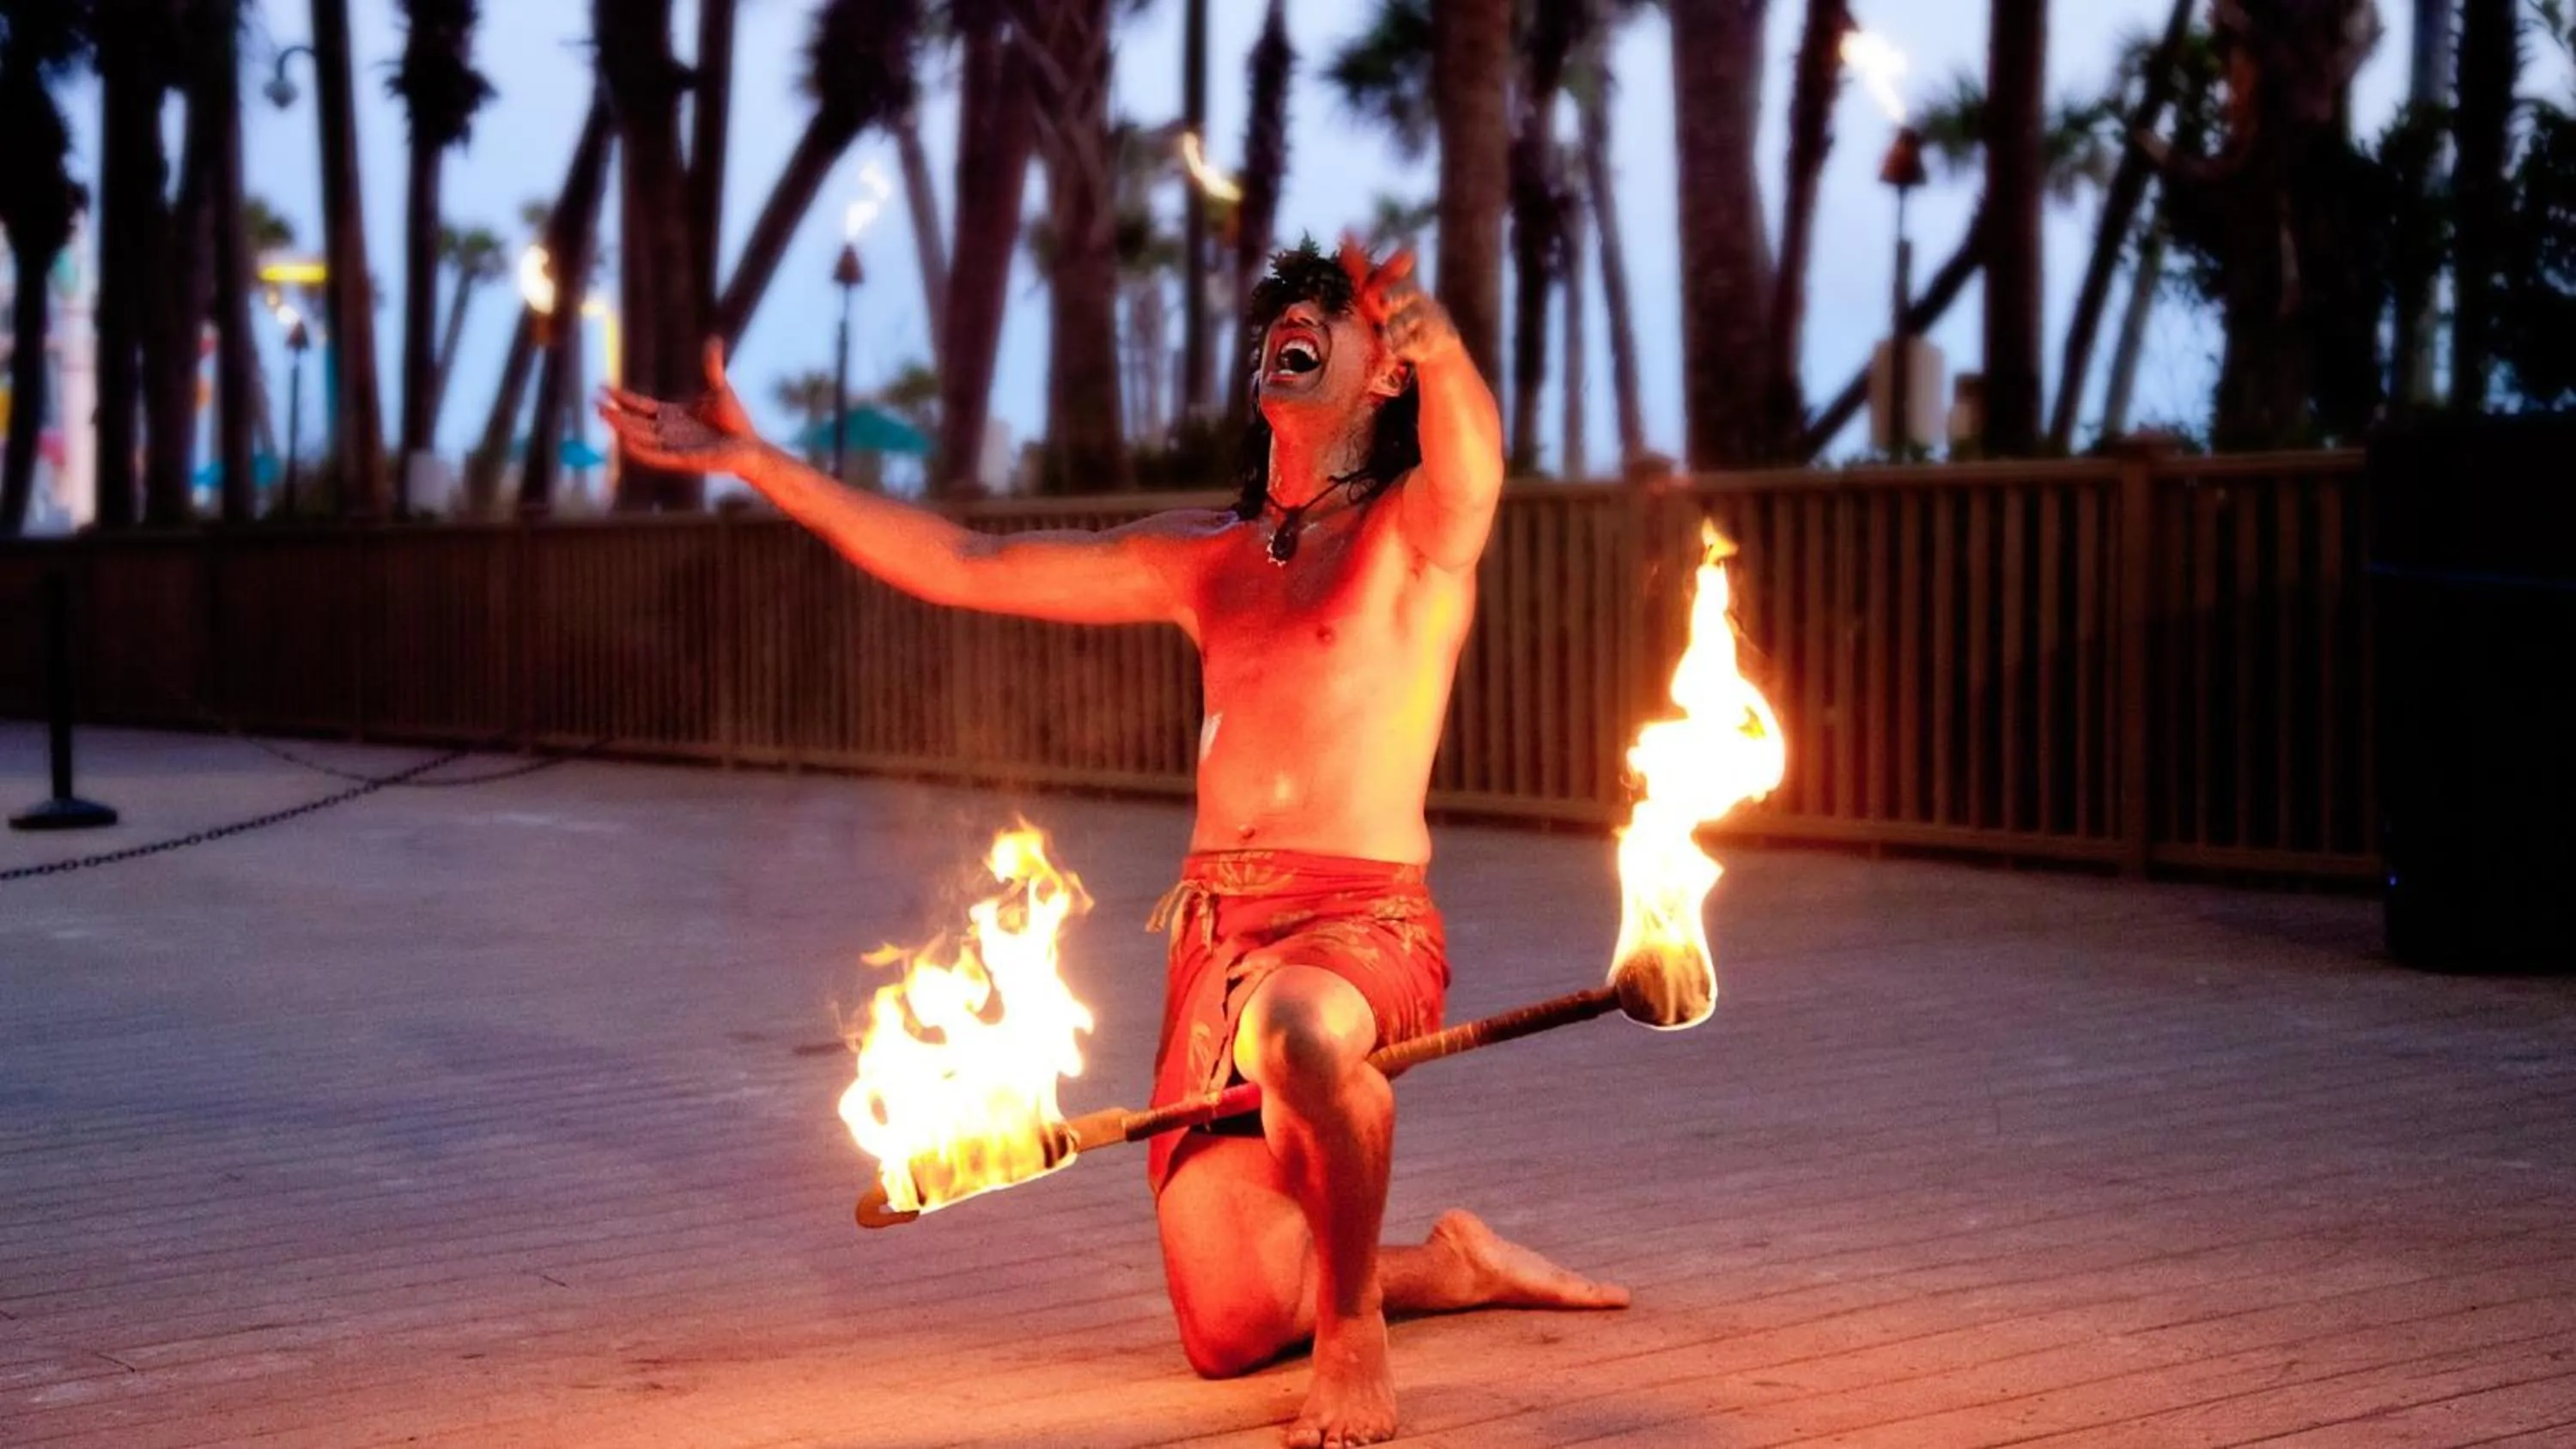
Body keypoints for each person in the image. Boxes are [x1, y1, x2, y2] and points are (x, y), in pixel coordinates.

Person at [599, 239, 1626, 1449]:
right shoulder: (1208, 554)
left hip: (1359, 927)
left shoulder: (1412, 536)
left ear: (1384, 373)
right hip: (1214, 945)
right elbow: (967, 564)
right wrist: (757, 463)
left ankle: (1354, 1331)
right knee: (1230, 1329)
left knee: (1297, 1036)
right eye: (1279, 316)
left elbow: (1472, 462)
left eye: (1328, 314)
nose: (1290, 323)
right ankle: (1448, 1267)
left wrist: (1441, 343)